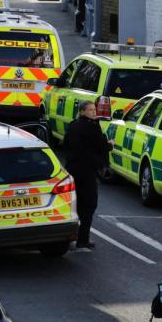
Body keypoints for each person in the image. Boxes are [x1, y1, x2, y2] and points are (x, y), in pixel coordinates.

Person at [62, 100, 111, 249]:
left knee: (73, 202)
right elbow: (102, 146)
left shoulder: (72, 125)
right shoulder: (92, 127)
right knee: (89, 205)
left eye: (94, 110)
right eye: (90, 110)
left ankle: (67, 234)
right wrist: (111, 145)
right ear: (82, 111)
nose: (93, 112)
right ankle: (83, 239)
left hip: (72, 170)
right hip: (87, 171)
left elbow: (66, 144)